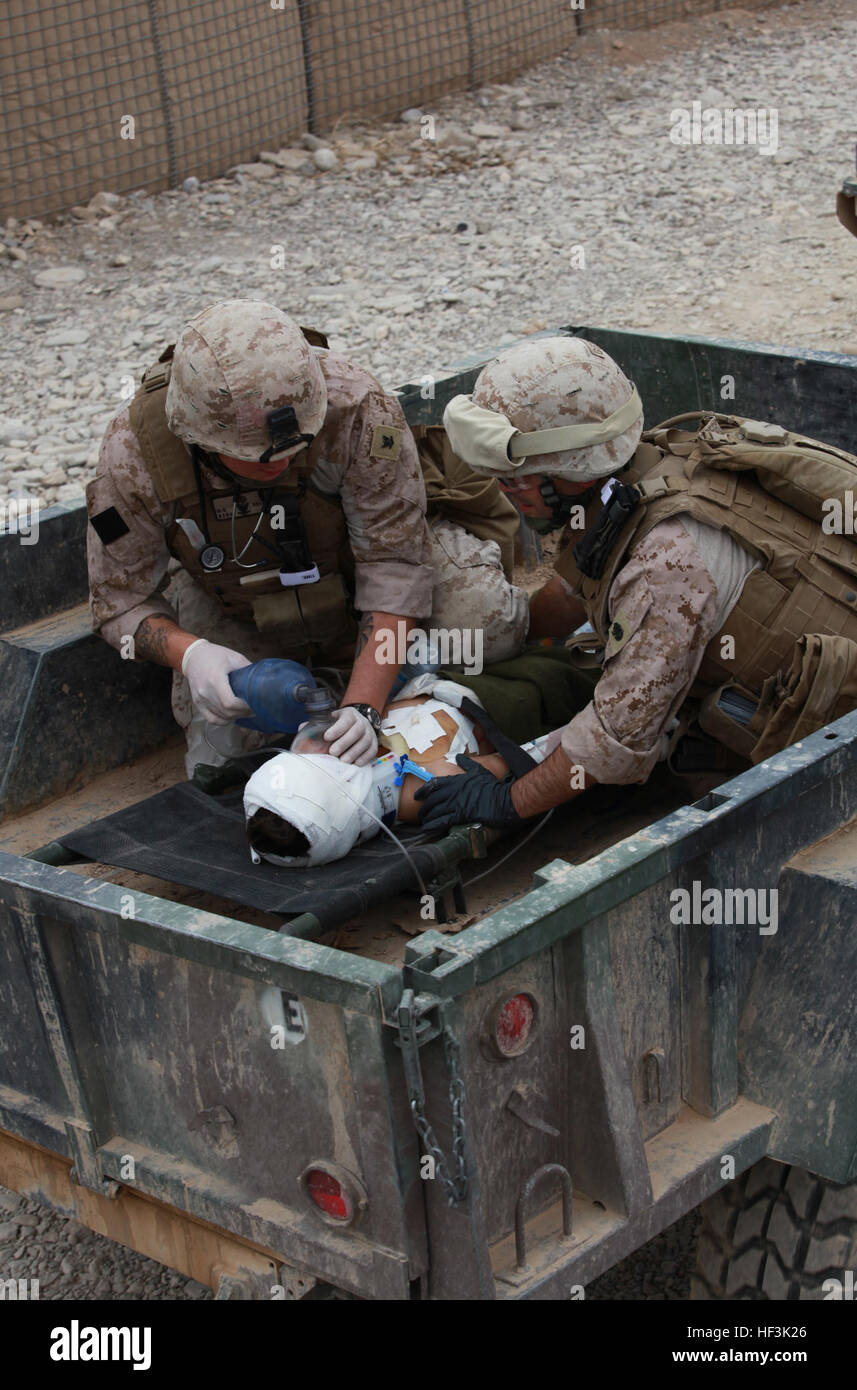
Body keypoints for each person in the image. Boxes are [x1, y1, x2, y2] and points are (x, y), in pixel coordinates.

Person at [414, 335, 857, 833]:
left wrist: (508, 801)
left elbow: (613, 741)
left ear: (567, 471)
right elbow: (586, 577)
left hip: (829, 723)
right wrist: (510, 628)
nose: (504, 492)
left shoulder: (665, 564)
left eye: (515, 480)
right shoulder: (654, 462)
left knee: (700, 785)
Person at [86, 300, 528, 776]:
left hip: (360, 568)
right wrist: (190, 655)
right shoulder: (134, 455)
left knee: (486, 629)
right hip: (240, 598)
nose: (280, 462)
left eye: (297, 445)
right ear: (201, 439)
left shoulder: (356, 406)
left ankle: (399, 679)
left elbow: (395, 566)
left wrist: (363, 709)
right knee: (226, 750)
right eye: (258, 458)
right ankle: (362, 679)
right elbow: (119, 601)